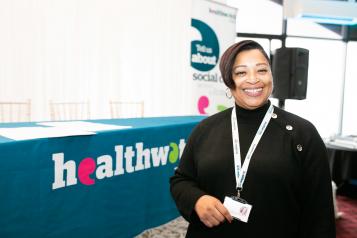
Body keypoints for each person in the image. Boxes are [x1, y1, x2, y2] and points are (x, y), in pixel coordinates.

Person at [170, 40, 336, 238]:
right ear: (228, 80)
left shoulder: (302, 134)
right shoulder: (205, 129)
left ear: (272, 75)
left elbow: (320, 213)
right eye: (241, 72)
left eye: (262, 70)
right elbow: (181, 180)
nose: (253, 80)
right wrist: (197, 200)